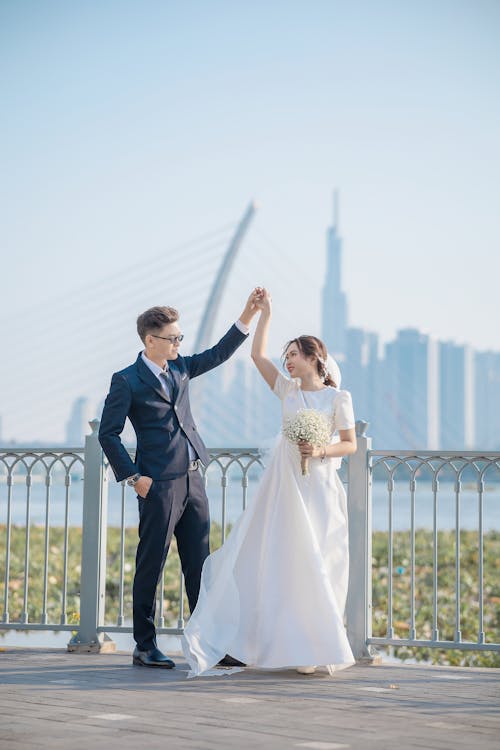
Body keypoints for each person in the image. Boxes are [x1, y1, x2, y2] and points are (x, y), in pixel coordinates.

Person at [182, 288, 357, 676]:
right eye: (287, 356)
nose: (288, 362)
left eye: (294, 355)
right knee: (283, 562)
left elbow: (350, 444)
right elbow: (257, 356)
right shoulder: (287, 391)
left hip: (321, 488)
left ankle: (315, 647)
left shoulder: (337, 398)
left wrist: (320, 451)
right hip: (286, 489)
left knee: (320, 560)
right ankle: (275, 643)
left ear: (315, 358)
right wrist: (265, 315)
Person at [99, 290, 260, 668]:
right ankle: (145, 645)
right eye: (172, 338)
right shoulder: (126, 381)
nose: (178, 343)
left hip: (193, 480)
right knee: (151, 564)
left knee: (199, 566)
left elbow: (218, 353)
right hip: (157, 485)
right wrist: (134, 477)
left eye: (180, 337)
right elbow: (108, 433)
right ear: (150, 340)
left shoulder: (182, 368)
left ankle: (209, 644)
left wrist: (247, 315)